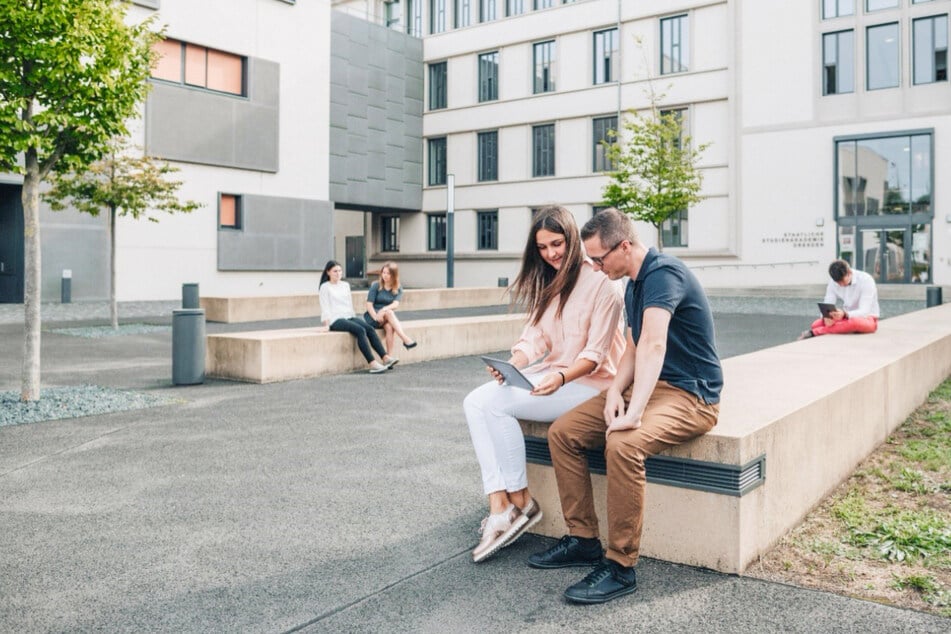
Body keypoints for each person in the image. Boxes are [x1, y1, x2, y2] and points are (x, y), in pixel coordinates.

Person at [527, 208, 722, 604]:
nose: (595, 268)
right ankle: (583, 540)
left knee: (624, 444)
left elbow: (654, 343)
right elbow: (633, 347)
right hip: (646, 388)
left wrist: (634, 414)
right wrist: (617, 390)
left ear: (625, 245)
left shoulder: (665, 274)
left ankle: (620, 566)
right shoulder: (632, 283)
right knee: (563, 434)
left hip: (691, 396)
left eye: (600, 259)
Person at [463, 205, 626, 563]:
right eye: (542, 247)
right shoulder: (549, 281)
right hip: (555, 373)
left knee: (495, 404)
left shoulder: (602, 283)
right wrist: (513, 364)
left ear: (572, 239)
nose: (551, 253)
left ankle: (520, 503)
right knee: (475, 401)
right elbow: (534, 337)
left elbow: (596, 355)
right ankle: (502, 502)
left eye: (557, 244)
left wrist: (560, 378)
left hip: (591, 383)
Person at [318, 260, 398, 374]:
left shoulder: (345, 285)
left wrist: (354, 318)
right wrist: (326, 325)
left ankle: (385, 358)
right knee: (360, 330)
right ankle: (372, 363)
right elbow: (325, 307)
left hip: (348, 316)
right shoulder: (325, 287)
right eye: (335, 271)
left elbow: (349, 304)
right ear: (328, 272)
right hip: (335, 320)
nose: (338, 273)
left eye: (340, 271)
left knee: (369, 329)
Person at [800, 259, 879, 339]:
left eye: (842, 281)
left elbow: (864, 311)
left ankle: (815, 332)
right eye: (838, 282)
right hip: (845, 318)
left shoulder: (866, 280)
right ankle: (841, 327)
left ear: (849, 272)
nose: (840, 285)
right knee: (816, 324)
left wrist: (845, 314)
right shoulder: (833, 282)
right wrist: (826, 317)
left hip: (868, 319)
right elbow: (828, 302)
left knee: (854, 323)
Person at [364, 261, 417, 356]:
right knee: (390, 312)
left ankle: (389, 357)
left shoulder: (398, 287)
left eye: (388, 273)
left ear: (394, 275)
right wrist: (376, 316)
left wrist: (383, 310)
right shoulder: (376, 285)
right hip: (373, 317)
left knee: (389, 327)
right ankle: (405, 339)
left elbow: (395, 304)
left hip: (386, 316)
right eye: (383, 272)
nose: (385, 275)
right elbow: (369, 305)